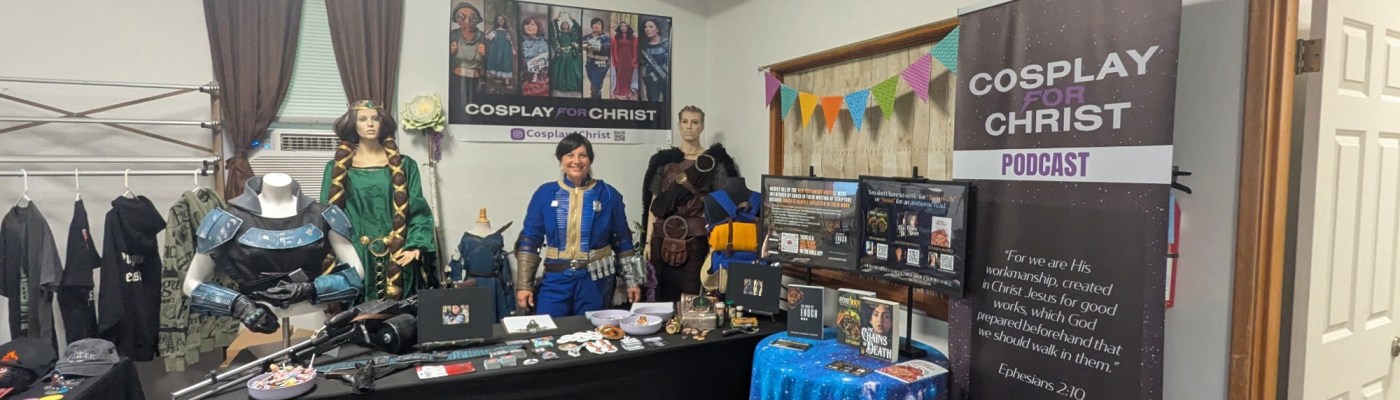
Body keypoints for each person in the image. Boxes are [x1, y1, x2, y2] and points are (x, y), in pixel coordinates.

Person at [516, 134, 645, 317]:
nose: (576, 161)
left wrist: (632, 281)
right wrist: (524, 285)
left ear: (590, 159)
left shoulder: (608, 195)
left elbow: (622, 240)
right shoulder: (544, 194)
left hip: (595, 281)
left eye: (582, 155)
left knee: (591, 330)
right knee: (549, 329)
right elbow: (530, 239)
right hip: (555, 278)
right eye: (570, 155)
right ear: (561, 159)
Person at [322, 100, 438, 301]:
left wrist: (416, 245)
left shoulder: (406, 165)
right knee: (358, 313)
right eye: (363, 119)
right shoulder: (336, 168)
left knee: (402, 314)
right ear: (353, 124)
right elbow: (329, 217)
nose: (370, 124)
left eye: (375, 119)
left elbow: (418, 209)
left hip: (398, 254)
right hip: (356, 255)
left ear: (383, 123)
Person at [642, 106, 738, 301]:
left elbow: (721, 207)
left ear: (702, 127)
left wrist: (715, 246)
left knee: (693, 299)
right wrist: (648, 241)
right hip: (662, 237)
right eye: (685, 122)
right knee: (661, 298)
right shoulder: (663, 162)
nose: (689, 127)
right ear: (679, 125)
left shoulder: (714, 163)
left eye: (694, 122)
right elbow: (654, 204)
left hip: (697, 240)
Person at [450, 3, 486, 107]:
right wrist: (449, 53)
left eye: (471, 17)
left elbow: (495, 62)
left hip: (477, 81)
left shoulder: (484, 37)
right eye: (461, 16)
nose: (467, 21)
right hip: (456, 80)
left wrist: (486, 54)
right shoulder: (452, 35)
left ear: (478, 19)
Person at [549, 11, 583, 97]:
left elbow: (578, 28)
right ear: (561, 26)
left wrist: (572, 19)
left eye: (566, 23)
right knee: (559, 70)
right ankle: (561, 86)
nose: (565, 24)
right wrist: (557, 18)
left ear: (569, 25)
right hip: (561, 54)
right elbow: (552, 30)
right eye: (563, 23)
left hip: (571, 54)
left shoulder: (572, 33)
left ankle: (573, 86)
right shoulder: (559, 34)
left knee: (575, 70)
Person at [484, 14, 518, 94]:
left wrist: (513, 49)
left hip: (506, 49)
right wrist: (486, 33)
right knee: (498, 62)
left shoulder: (508, 30)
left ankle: (507, 81)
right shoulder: (494, 31)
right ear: (496, 21)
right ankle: (498, 78)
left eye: (502, 19)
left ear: (504, 20)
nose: (500, 21)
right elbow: (488, 37)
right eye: (498, 19)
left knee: (506, 63)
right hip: (496, 49)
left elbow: (511, 40)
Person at [639, 18, 670, 102]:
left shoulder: (666, 43)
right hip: (651, 80)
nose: (647, 29)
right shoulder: (644, 46)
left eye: (650, 26)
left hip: (666, 78)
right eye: (645, 27)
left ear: (657, 29)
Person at [519, 16, 550, 97]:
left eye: (532, 24)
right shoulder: (520, 42)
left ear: (538, 27)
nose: (529, 26)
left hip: (544, 81)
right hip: (526, 80)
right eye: (526, 24)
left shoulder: (546, 42)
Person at [583, 18, 611, 99]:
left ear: (602, 26)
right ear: (592, 26)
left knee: (594, 87)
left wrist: (592, 45)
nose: (596, 25)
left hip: (602, 65)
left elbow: (606, 49)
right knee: (595, 86)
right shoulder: (587, 37)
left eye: (598, 23)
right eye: (594, 23)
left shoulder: (606, 38)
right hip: (589, 64)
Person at [610, 21, 638, 100]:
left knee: (628, 74)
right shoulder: (617, 37)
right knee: (620, 74)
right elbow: (615, 48)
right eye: (621, 26)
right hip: (620, 57)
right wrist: (616, 58)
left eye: (625, 26)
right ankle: (619, 90)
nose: (623, 28)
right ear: (619, 27)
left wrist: (634, 58)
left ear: (627, 27)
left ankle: (628, 90)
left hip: (629, 57)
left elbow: (635, 47)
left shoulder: (632, 37)